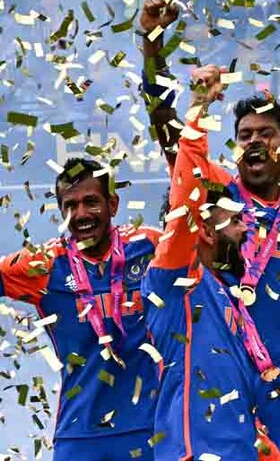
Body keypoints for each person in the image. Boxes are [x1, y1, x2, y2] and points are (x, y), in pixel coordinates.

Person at [137, 0, 280, 460]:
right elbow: (168, 130)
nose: (253, 141)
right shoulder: (217, 192)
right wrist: (152, 46)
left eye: (265, 134)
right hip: (226, 368)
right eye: (245, 135)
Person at [144, 73, 280, 460]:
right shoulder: (177, 282)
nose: (246, 229)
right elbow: (186, 197)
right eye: (236, 221)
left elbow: (241, 412)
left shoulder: (227, 296)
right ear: (203, 229)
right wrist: (199, 108)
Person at [0, 158, 161, 460]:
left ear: (113, 204)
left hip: (150, 427)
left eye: (91, 202)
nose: (82, 214)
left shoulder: (150, 246)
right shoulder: (44, 263)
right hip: (79, 434)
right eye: (70, 206)